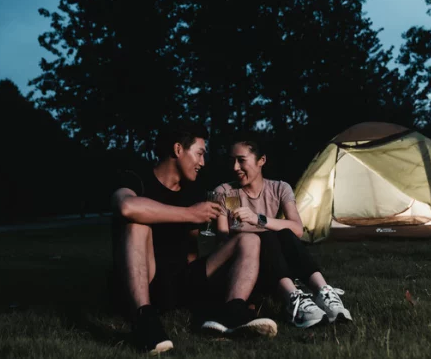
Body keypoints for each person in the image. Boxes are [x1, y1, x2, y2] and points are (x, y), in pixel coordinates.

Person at [110, 121, 277, 355]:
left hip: (178, 283)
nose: (202, 163)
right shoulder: (136, 177)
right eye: (199, 154)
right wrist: (190, 213)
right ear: (178, 150)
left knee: (249, 239)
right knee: (138, 224)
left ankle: (234, 308)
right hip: (144, 280)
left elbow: (191, 250)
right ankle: (143, 319)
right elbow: (126, 206)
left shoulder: (192, 191)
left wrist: (206, 288)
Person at [214, 133, 352, 328]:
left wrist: (258, 219)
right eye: (232, 161)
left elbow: (297, 228)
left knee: (282, 233)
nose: (235, 167)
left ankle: (324, 293)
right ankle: (294, 299)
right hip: (243, 267)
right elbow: (222, 238)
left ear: (261, 160)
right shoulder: (224, 192)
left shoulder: (279, 188)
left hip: (276, 262)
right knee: (269, 235)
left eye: (241, 160)